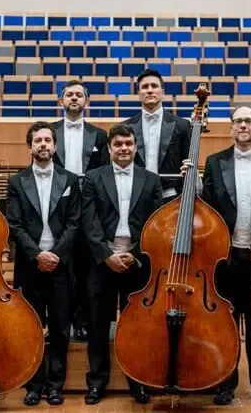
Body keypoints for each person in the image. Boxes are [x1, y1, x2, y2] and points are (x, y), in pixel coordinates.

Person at [180, 105, 251, 406]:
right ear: (231, 127)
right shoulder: (215, 162)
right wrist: (193, 181)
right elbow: (206, 204)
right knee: (225, 324)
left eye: (249, 120)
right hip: (224, 257)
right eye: (238, 120)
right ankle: (225, 383)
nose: (243, 125)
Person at [81, 123, 163, 405]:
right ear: (109, 148)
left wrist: (136, 254)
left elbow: (155, 222)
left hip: (137, 264)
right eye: (118, 144)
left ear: (136, 147)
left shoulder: (151, 180)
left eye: (128, 143)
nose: (124, 148)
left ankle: (138, 381)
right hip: (102, 263)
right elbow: (89, 222)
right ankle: (97, 382)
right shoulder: (93, 178)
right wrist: (106, 254)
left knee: (137, 326)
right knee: (98, 324)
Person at [7, 121, 81, 406]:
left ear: (55, 145)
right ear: (30, 147)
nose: (43, 145)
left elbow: (74, 223)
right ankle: (34, 384)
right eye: (37, 141)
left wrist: (55, 255)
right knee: (31, 328)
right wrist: (38, 255)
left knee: (61, 328)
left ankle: (55, 385)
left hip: (61, 266)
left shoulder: (70, 180)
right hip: (30, 267)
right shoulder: (16, 182)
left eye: (47, 140)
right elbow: (15, 225)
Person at [51, 80, 109, 341]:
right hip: (59, 206)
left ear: (87, 101)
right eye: (69, 94)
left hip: (89, 205)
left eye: (79, 95)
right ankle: (63, 321)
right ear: (60, 100)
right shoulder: (49, 132)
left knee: (87, 266)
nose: (74, 98)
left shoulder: (100, 135)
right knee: (64, 266)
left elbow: (103, 173)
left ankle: (84, 320)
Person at [123, 69, 190, 202]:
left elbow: (187, 163)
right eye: (144, 87)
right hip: (135, 197)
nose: (149, 90)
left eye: (154, 86)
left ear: (162, 92)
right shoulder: (126, 127)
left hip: (170, 196)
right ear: (139, 94)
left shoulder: (182, 125)